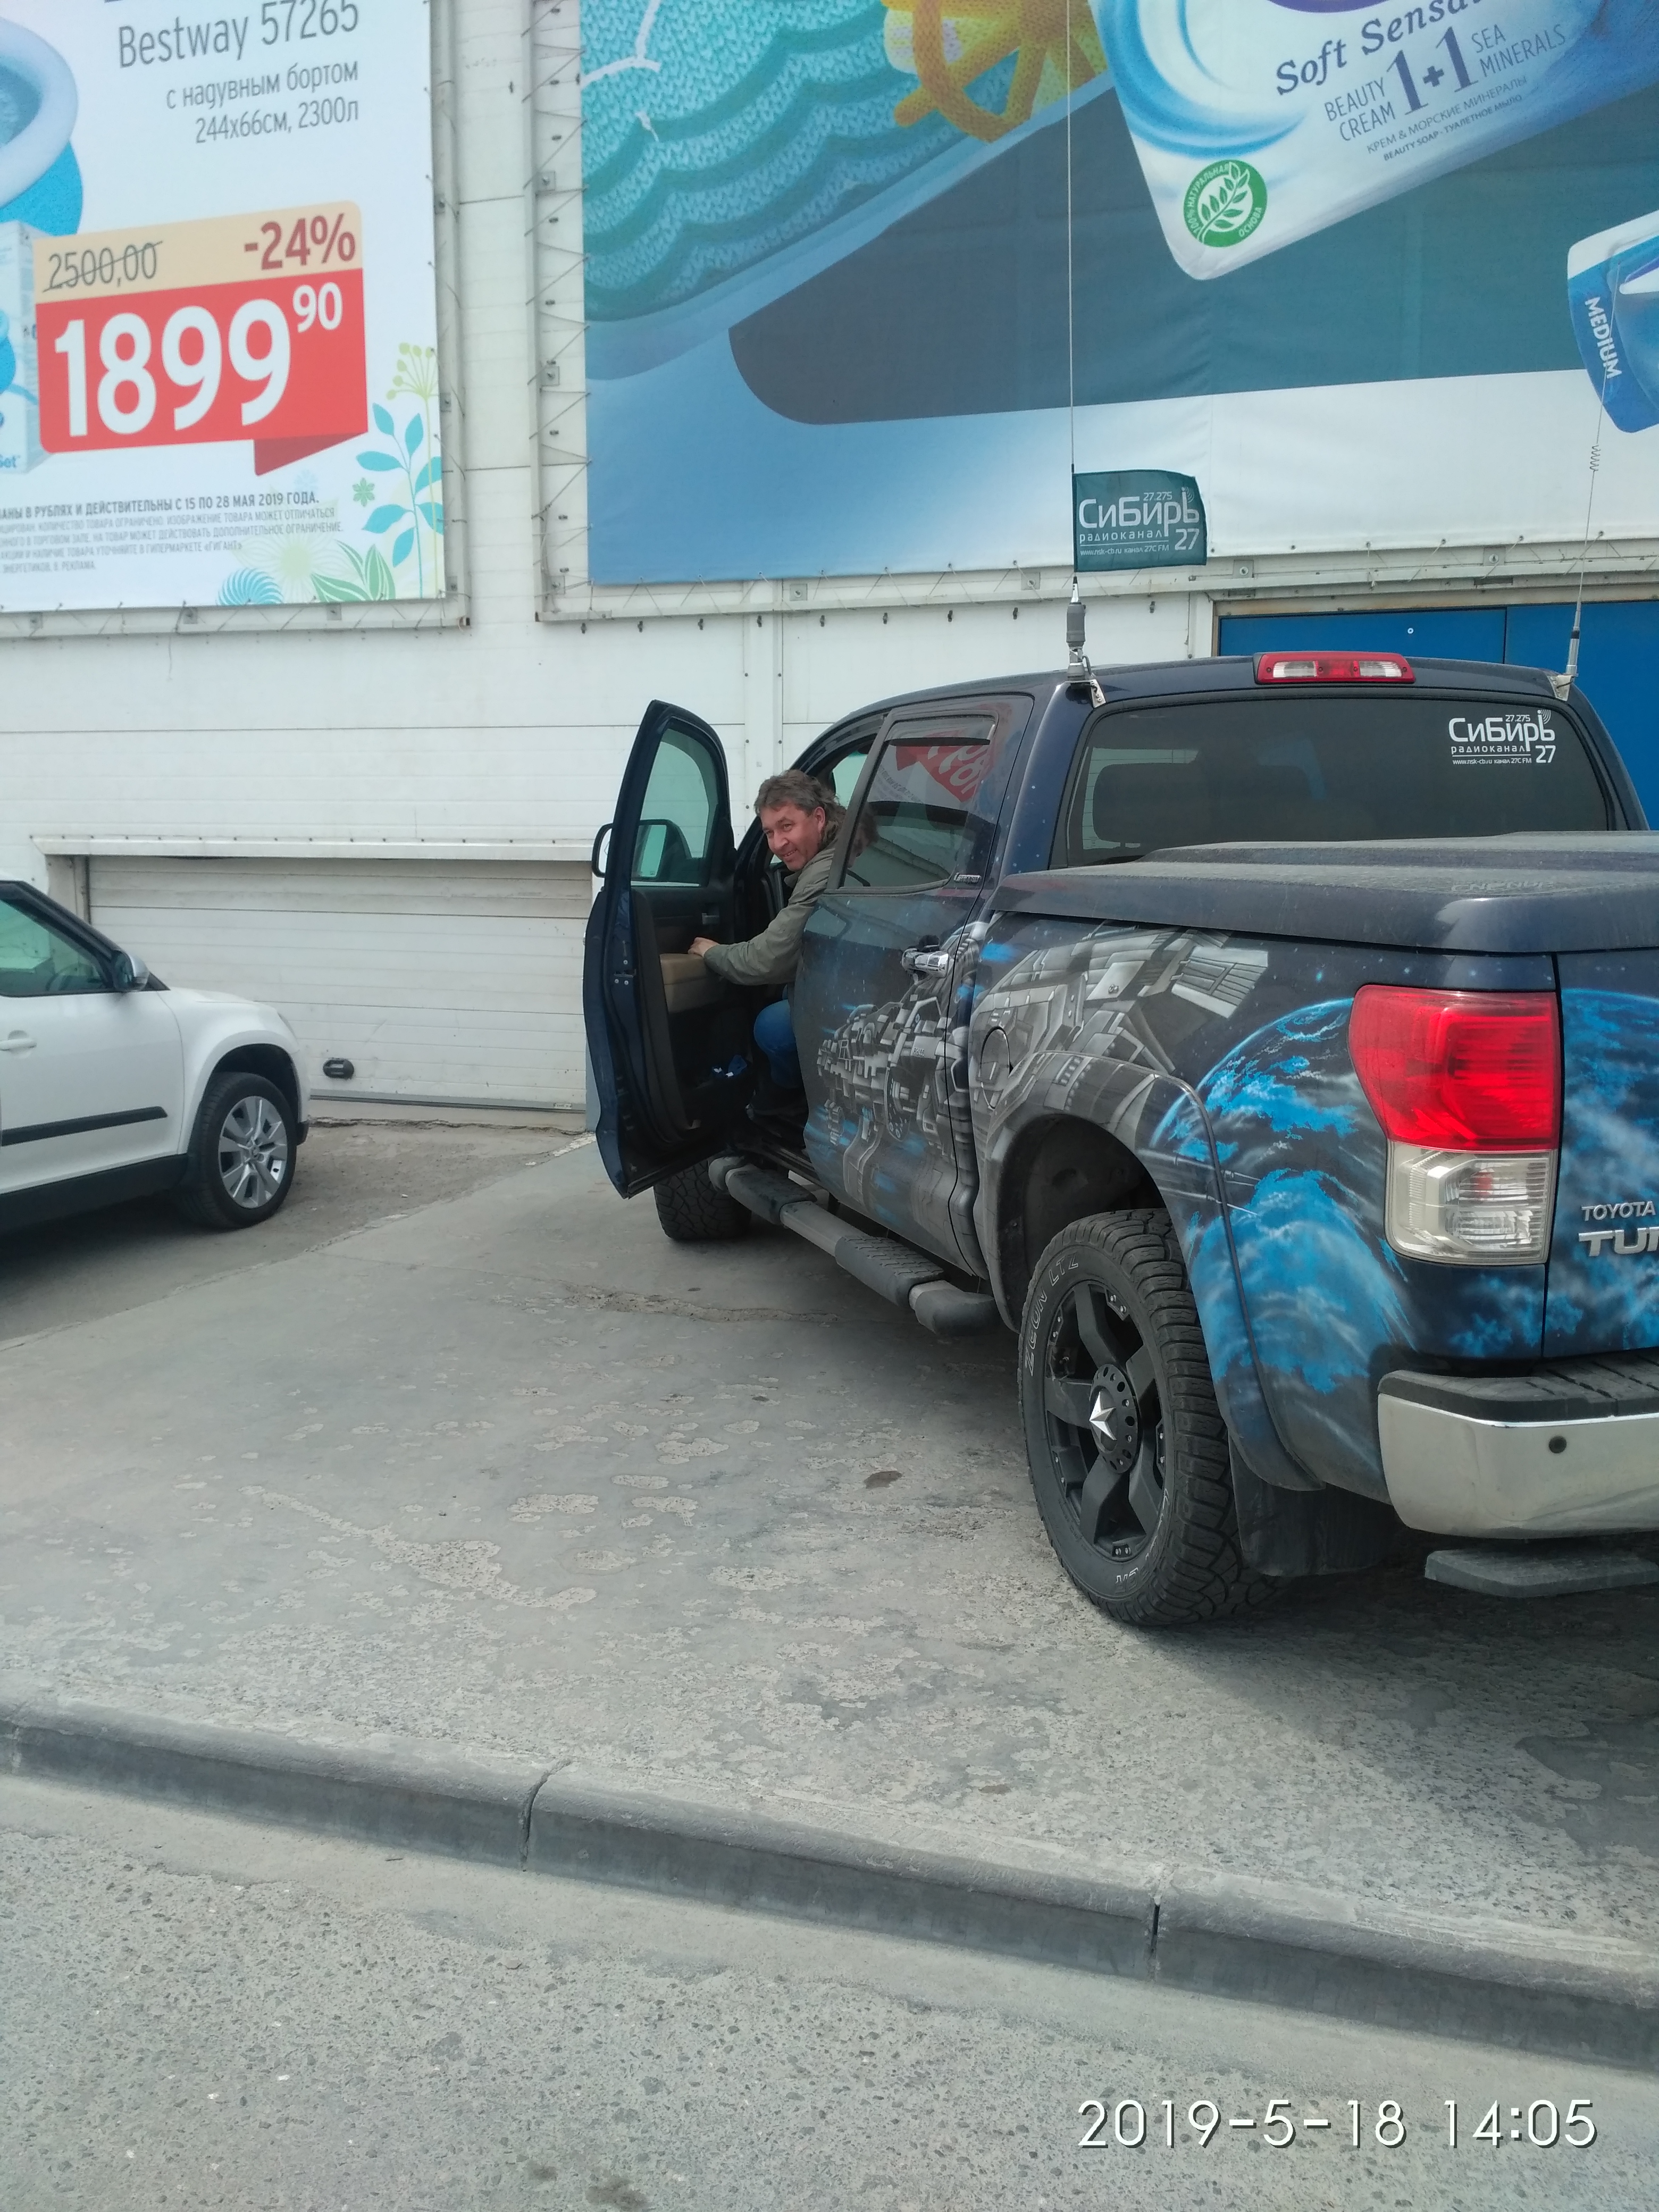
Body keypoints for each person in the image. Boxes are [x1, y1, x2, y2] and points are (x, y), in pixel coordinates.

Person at [690, 770, 841, 1096]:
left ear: (818, 818)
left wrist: (710, 952)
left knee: (771, 1027)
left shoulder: (825, 874)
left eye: (787, 826)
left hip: (859, 1006)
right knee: (788, 994)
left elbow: (768, 959)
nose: (777, 844)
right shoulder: (840, 853)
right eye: (770, 832)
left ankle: (789, 1102)